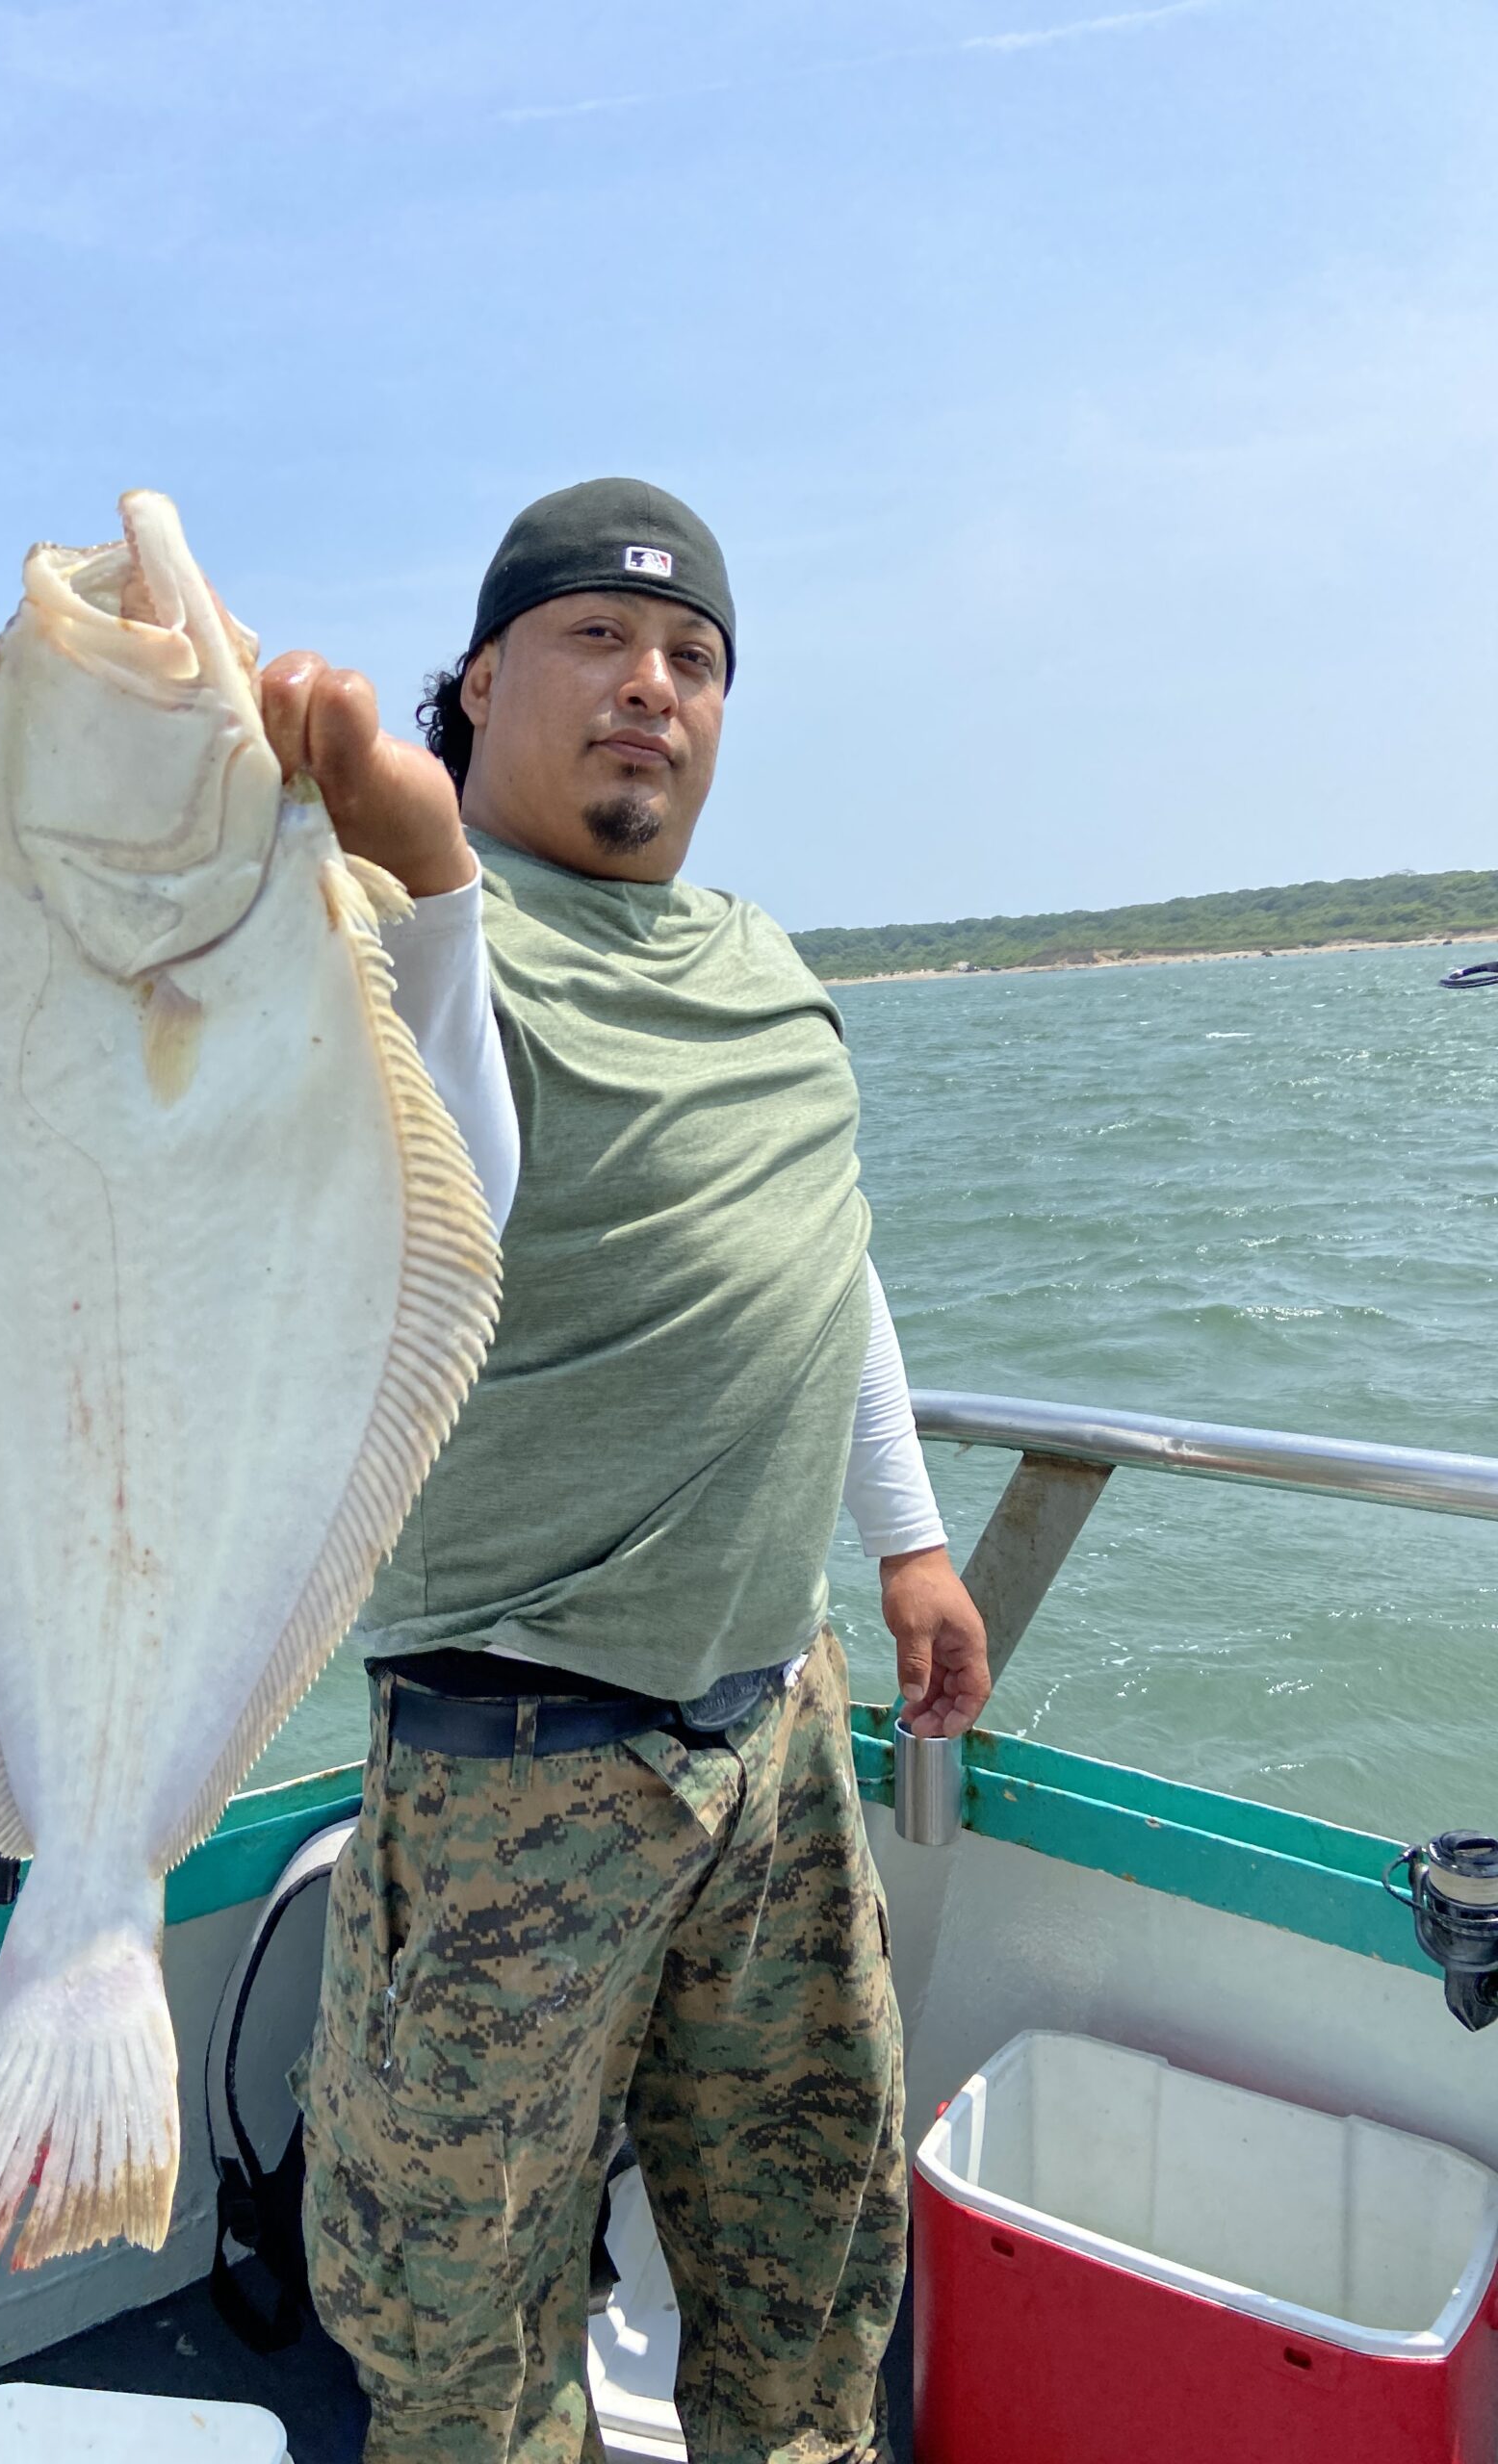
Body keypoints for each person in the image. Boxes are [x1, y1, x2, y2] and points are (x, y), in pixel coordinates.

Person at [255, 478, 990, 2464]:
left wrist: (909, 1545)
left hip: (782, 1729)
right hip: (516, 1762)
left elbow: (828, 1257)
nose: (651, 686)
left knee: (810, 2261)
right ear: (480, 678)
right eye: (596, 637)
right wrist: (418, 886)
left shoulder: (765, 964)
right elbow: (450, 1203)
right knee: (465, 2337)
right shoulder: (382, 942)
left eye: (696, 657)